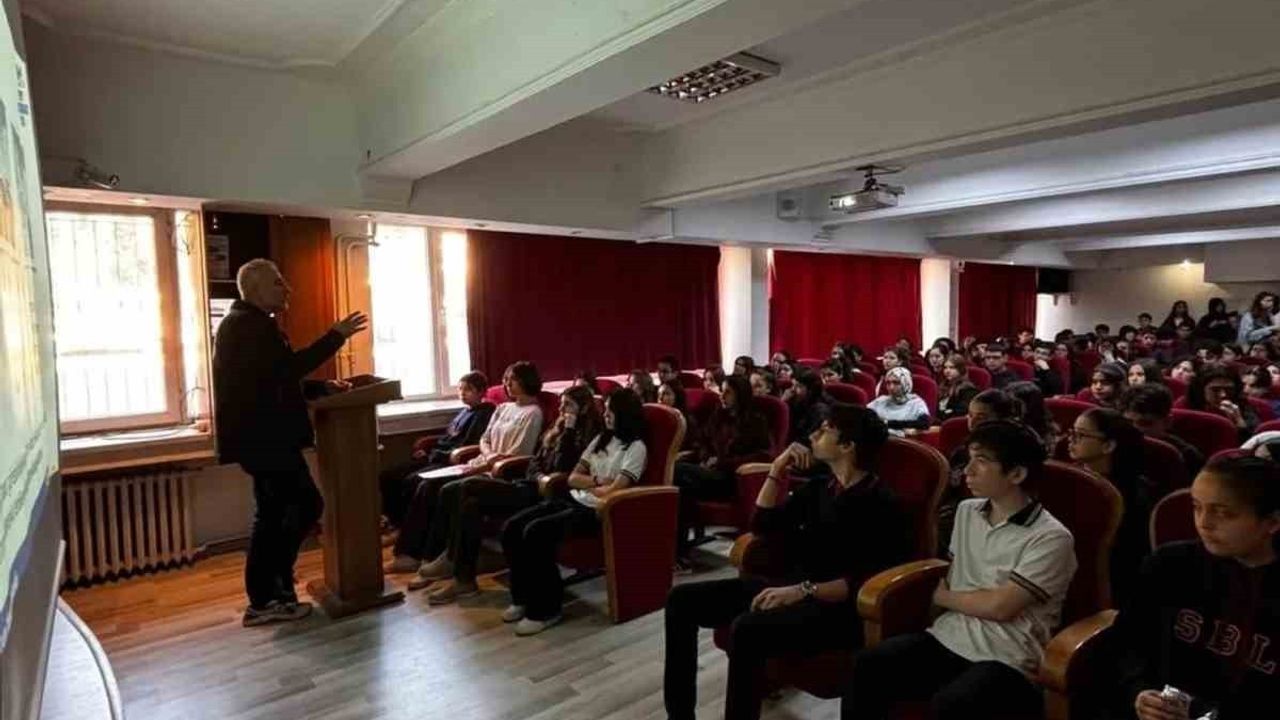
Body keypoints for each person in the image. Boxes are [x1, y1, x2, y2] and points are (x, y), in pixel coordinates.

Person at [664, 406, 911, 720]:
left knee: (746, 628)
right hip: (790, 586)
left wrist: (803, 590)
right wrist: (776, 469)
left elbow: (863, 581)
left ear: (848, 445)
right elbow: (762, 524)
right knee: (680, 600)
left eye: (824, 430)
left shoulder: (881, 503)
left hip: (834, 608)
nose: (812, 435)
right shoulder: (821, 487)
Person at [842, 421, 1076, 720]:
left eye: (982, 461)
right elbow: (956, 575)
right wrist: (943, 605)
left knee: (952, 703)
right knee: (869, 664)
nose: (968, 470)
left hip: (1008, 655)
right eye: (969, 459)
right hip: (950, 635)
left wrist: (946, 598)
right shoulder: (967, 512)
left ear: (1017, 474)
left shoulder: (1051, 536)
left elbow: (1002, 607)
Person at [213, 259, 368, 626]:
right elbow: (286, 370)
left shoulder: (251, 325)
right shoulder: (248, 327)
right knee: (301, 507)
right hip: (266, 441)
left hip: (263, 440)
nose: (288, 289)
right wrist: (336, 335)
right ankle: (268, 593)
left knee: (275, 514)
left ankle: (273, 588)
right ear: (254, 289)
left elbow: (274, 379)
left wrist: (320, 387)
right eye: (279, 283)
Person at [1101, 455, 1280, 720]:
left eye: (1224, 513)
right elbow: (1128, 642)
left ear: (1272, 523)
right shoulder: (1171, 564)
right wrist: (1138, 691)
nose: (1204, 523)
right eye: (1197, 507)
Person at [415, 386, 603, 601]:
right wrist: (538, 472)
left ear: (584, 407)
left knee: (466, 486)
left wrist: (568, 432)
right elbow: (535, 460)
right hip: (527, 483)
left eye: (568, 405)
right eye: (561, 404)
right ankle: (462, 578)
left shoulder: (589, 434)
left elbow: (565, 465)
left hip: (545, 492)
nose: (562, 409)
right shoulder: (556, 428)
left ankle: (452, 560)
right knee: (468, 503)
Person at [500, 389, 648, 636]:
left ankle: (546, 610)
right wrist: (598, 480)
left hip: (597, 512)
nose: (606, 415)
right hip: (573, 499)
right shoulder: (601, 439)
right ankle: (522, 598)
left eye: (611, 411)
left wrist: (593, 483)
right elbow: (572, 478)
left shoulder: (635, 447)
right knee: (512, 527)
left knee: (536, 532)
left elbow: (614, 490)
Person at [386, 362, 545, 574]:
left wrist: (484, 465)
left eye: (512, 380)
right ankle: (410, 553)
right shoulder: (503, 408)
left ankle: (432, 555)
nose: (506, 384)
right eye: (505, 379)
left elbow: (519, 452)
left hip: (501, 471)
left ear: (527, 381)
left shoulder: (533, 413)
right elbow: (484, 439)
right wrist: (486, 456)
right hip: (481, 462)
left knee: (443, 489)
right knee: (425, 484)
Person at [673, 375, 771, 565]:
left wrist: (722, 462)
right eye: (722, 391)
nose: (722, 396)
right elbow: (703, 442)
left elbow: (764, 456)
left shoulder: (756, 420)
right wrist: (704, 457)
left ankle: (678, 552)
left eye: (728, 392)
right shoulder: (718, 415)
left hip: (733, 479)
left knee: (676, 472)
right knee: (679, 488)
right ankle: (678, 552)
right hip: (709, 474)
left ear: (740, 395)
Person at [379, 371, 495, 528]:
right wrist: (429, 450)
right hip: (436, 454)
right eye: (460, 389)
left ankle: (404, 525)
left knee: (412, 480)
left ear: (481, 391)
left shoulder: (484, 414)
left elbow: (465, 444)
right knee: (388, 475)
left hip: (449, 460)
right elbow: (448, 437)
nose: (462, 393)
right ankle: (391, 520)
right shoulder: (464, 411)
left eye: (467, 389)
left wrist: (434, 454)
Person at [1067, 407, 1153, 605]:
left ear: (1108, 445)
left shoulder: (1127, 497)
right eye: (1072, 432)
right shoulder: (1069, 478)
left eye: (1081, 435)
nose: (1070, 440)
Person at [935, 389, 1023, 558]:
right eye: (969, 415)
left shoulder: (1015, 454)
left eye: (981, 417)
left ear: (1003, 420)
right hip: (959, 513)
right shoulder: (962, 451)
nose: (972, 422)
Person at [1119, 383, 1205, 481]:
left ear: (1167, 422)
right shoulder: (1112, 448)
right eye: (1128, 423)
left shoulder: (1187, 457)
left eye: (1145, 423)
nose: (1135, 430)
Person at [1187, 365, 1261, 441]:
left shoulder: (1244, 407)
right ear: (1201, 390)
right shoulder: (1187, 407)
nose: (1223, 395)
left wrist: (1240, 423)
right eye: (1215, 390)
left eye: (1229, 390)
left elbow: (1253, 443)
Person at [867, 367, 931, 436]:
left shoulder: (916, 403)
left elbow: (924, 423)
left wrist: (888, 423)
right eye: (888, 383)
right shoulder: (881, 400)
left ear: (906, 383)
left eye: (896, 383)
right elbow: (864, 415)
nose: (891, 387)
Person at [1006, 381, 1059, 456]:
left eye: (1016, 405)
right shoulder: (1006, 424)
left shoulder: (1044, 436)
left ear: (1032, 407)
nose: (1011, 409)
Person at [784, 370, 831, 447]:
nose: (793, 389)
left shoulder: (820, 410)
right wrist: (783, 403)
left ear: (811, 389)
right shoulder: (796, 401)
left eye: (798, 386)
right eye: (793, 385)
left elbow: (808, 440)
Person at [937, 354, 978, 423]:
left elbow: (961, 412)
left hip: (955, 423)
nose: (947, 371)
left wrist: (944, 414)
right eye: (945, 367)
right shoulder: (943, 386)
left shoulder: (968, 389)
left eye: (952, 368)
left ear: (961, 369)